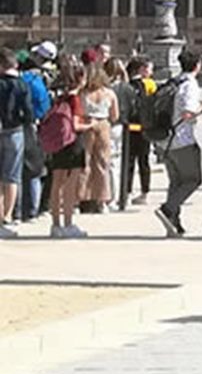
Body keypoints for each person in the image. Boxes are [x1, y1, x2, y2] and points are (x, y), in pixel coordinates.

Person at [157, 49, 202, 238]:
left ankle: (173, 222)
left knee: (176, 182)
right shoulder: (190, 84)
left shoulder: (174, 81)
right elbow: (188, 112)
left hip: (165, 140)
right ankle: (168, 209)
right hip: (182, 139)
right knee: (194, 179)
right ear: (197, 65)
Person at [40, 55, 88, 238]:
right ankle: (68, 222)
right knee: (70, 183)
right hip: (73, 142)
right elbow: (76, 125)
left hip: (59, 142)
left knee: (56, 182)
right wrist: (91, 125)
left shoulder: (61, 97)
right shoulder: (75, 99)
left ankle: (56, 224)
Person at [78, 60, 119, 214]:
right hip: (103, 125)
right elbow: (115, 116)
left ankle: (82, 198)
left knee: (85, 163)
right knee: (103, 164)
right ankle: (102, 200)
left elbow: (79, 111)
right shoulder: (110, 93)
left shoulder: (83, 93)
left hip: (87, 124)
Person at [117, 56, 156, 209]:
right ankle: (145, 191)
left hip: (129, 126)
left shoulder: (126, 85)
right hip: (144, 126)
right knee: (144, 161)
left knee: (129, 161)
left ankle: (126, 192)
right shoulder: (149, 84)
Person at [0, 50, 31, 234]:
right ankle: (8, 215)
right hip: (15, 130)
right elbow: (28, 111)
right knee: (12, 176)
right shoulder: (22, 85)